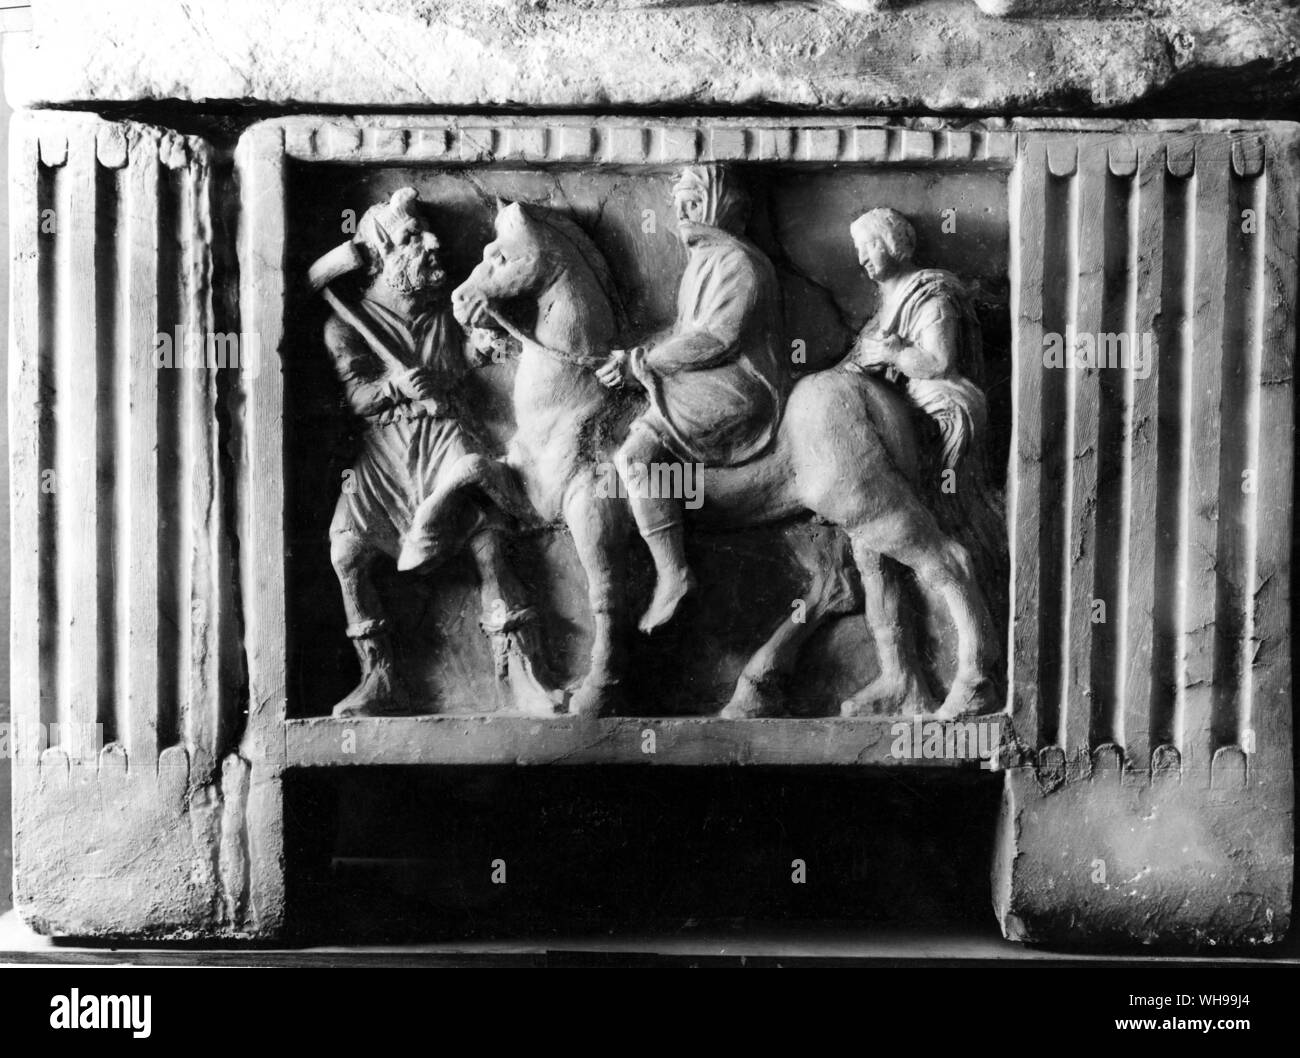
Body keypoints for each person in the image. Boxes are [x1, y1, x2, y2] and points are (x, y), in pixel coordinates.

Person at [324, 187, 548, 716]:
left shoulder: (442, 313)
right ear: (382, 258)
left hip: (445, 435)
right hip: (385, 450)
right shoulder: (344, 325)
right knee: (345, 551)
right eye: (411, 238)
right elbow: (354, 398)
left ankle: (520, 669)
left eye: (428, 233)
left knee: (488, 542)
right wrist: (395, 388)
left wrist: (480, 350)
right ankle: (378, 676)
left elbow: (464, 360)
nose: (430, 243)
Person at [596, 164, 787, 633]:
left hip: (737, 387)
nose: (682, 212)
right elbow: (685, 334)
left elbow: (718, 338)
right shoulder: (705, 259)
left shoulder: (737, 262)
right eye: (678, 203)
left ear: (720, 205)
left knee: (636, 456)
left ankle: (674, 574)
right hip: (707, 377)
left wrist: (644, 363)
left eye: (694, 202)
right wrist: (635, 360)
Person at [845, 206, 1003, 597]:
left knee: (941, 507)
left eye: (870, 246)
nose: (862, 257)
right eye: (858, 249)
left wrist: (892, 354)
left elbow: (939, 361)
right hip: (901, 401)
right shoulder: (885, 302)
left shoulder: (930, 293)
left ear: (894, 244)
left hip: (939, 403)